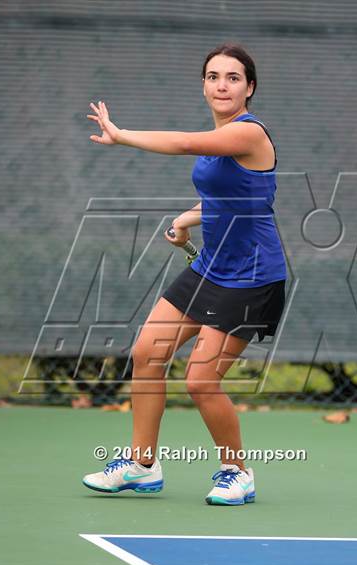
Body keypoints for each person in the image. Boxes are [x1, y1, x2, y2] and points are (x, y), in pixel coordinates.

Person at [82, 43, 287, 506]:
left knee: (200, 381)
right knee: (147, 353)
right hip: (211, 266)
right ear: (204, 85)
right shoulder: (223, 142)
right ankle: (142, 465)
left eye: (233, 78)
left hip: (253, 277)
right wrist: (186, 219)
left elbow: (183, 143)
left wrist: (122, 134)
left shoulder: (248, 134)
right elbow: (227, 199)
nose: (222, 85)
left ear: (249, 88)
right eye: (213, 76)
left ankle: (238, 472)